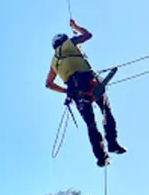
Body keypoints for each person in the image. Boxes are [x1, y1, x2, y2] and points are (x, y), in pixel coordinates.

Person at [46, 18, 126, 167]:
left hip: (76, 92)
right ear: (64, 39)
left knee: (90, 124)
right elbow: (88, 35)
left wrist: (67, 91)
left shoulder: (54, 61)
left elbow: (48, 84)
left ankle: (101, 157)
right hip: (88, 82)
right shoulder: (69, 43)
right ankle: (112, 143)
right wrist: (76, 27)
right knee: (106, 110)